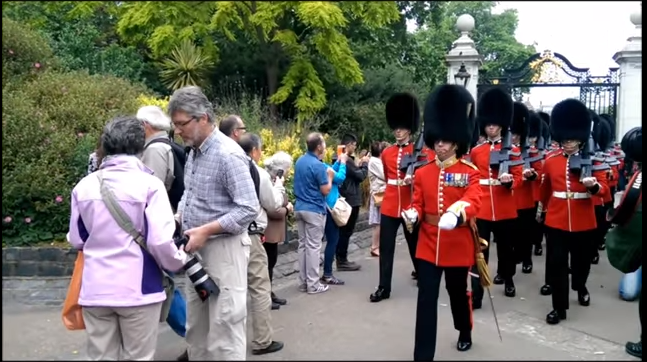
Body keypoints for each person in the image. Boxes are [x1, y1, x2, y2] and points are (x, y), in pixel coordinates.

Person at [67, 116, 188, 361]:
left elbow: (77, 239)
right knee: (139, 357)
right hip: (139, 288)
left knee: (100, 357)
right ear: (139, 145)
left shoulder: (84, 186)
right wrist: (180, 260)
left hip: (95, 288)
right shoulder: (150, 185)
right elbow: (159, 242)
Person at [170, 86, 260, 360]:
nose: (177, 131)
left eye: (182, 124)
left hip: (224, 251)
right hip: (196, 251)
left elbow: (248, 208)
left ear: (204, 118)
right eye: (175, 125)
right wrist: (177, 217)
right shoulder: (195, 151)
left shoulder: (228, 154)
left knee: (225, 329)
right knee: (196, 330)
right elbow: (190, 193)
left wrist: (207, 230)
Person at [403, 84, 482, 360]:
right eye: (437, 139)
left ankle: (464, 330)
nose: (440, 144)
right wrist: (412, 214)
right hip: (427, 244)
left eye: (445, 140)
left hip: (456, 244)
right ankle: (423, 355)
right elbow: (418, 202)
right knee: (426, 299)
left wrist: (455, 213)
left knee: (457, 294)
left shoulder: (469, 172)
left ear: (457, 141)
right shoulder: (423, 172)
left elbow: (474, 199)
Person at [537, 98, 610, 325]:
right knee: (557, 263)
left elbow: (605, 192)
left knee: (581, 262)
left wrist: (593, 186)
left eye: (572, 139)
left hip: (583, 218)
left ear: (580, 137)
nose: (568, 143)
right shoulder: (551, 160)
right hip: (557, 219)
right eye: (565, 139)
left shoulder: (594, 160)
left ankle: (580, 286)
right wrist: (541, 209)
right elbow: (545, 189)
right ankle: (559, 308)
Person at [370, 93, 435, 303]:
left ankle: (423, 276)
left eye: (402, 127)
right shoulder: (387, 153)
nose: (398, 131)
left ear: (409, 128)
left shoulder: (423, 152)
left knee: (415, 245)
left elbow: (428, 177)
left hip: (410, 205)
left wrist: (413, 181)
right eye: (396, 127)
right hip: (390, 205)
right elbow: (390, 179)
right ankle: (383, 287)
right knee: (386, 248)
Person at [469, 88, 523, 308]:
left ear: (501, 124)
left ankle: (508, 278)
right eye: (488, 124)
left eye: (494, 124)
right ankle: (477, 293)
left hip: (504, 206)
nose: (491, 127)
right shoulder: (477, 151)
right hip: (482, 207)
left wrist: (510, 181)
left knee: (506, 249)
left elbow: (518, 178)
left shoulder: (514, 151)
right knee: (479, 252)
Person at [237, 133, 286, 355]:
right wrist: (280, 187)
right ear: (255, 150)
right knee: (259, 286)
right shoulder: (257, 172)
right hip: (251, 232)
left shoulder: (228, 165)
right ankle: (262, 340)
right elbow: (272, 203)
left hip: (224, 234)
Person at [293, 132, 334, 294]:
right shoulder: (318, 165)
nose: (324, 147)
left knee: (302, 245)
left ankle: (303, 282)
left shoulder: (300, 161)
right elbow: (325, 190)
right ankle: (313, 284)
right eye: (323, 144)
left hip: (299, 207)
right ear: (318, 147)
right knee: (313, 247)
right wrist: (329, 176)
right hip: (314, 209)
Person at [510, 105, 540, 274]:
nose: (513, 137)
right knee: (509, 236)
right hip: (509, 198)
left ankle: (527, 259)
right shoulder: (503, 150)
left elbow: (540, 173)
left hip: (526, 198)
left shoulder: (531, 152)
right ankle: (508, 265)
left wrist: (532, 174)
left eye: (515, 134)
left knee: (526, 233)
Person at [263, 151, 294, 305]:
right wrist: (287, 209)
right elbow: (273, 209)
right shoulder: (270, 183)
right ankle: (266, 296)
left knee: (271, 262)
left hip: (272, 231)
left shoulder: (274, 181)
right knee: (268, 263)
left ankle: (269, 292)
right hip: (268, 231)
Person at [336, 133, 367, 272]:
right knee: (346, 231)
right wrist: (365, 164)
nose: (355, 147)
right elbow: (360, 176)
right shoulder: (346, 160)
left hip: (342, 197)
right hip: (351, 199)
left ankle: (341, 258)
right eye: (354, 145)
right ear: (348, 145)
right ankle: (342, 260)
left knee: (342, 231)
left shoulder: (337, 157)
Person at [321, 151, 348, 285]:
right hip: (330, 208)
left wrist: (337, 162)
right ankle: (327, 273)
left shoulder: (317, 165)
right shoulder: (321, 167)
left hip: (322, 208)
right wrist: (343, 163)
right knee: (332, 241)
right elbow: (340, 177)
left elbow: (332, 171)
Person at [367, 141, 387, 257]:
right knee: (377, 222)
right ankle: (375, 246)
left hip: (381, 192)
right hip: (378, 194)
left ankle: (377, 246)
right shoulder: (374, 161)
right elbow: (385, 175)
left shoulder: (376, 161)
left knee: (380, 222)